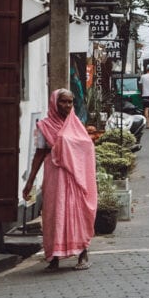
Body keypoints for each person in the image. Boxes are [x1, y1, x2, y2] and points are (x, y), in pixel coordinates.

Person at [22, 89, 98, 271]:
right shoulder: (45, 126)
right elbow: (39, 154)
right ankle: (54, 257)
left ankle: (83, 253)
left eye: (70, 102)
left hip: (76, 178)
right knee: (54, 213)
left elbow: (87, 149)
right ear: (54, 103)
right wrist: (30, 181)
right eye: (63, 102)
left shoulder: (77, 124)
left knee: (77, 212)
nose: (67, 106)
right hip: (55, 176)